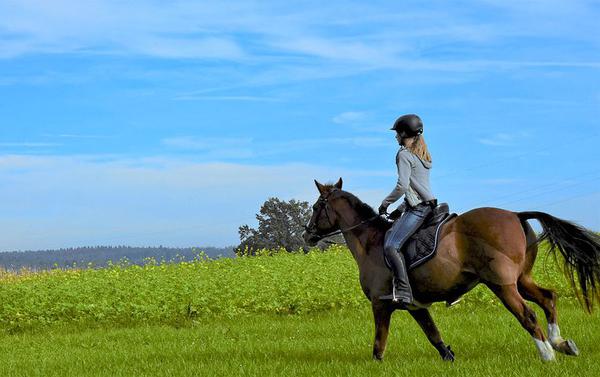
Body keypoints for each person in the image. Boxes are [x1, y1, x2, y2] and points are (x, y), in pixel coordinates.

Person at [378, 114, 436, 307]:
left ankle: (403, 291)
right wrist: (401, 209)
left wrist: (385, 204)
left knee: (391, 246)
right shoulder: (422, 155)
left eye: (396, 133)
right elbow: (416, 187)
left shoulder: (403, 154)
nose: (395, 137)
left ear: (404, 133)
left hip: (419, 209)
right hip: (427, 206)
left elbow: (403, 185)